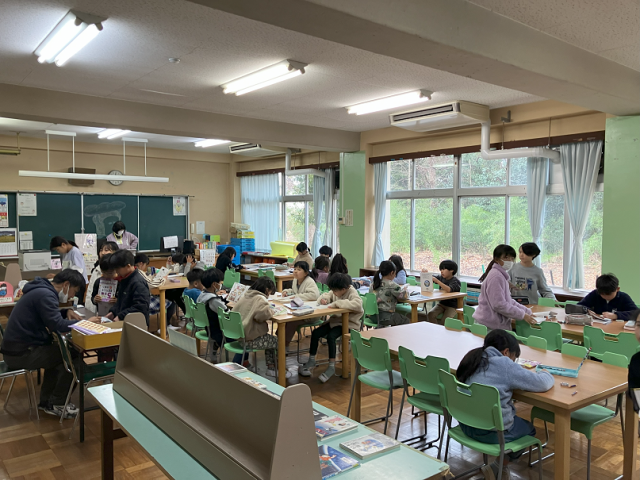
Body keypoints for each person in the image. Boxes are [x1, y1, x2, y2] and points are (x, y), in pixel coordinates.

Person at [456, 329, 554, 479]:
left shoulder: (472, 358)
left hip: (465, 424)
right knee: (529, 429)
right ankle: (498, 468)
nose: (513, 361)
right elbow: (542, 384)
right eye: (514, 358)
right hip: (489, 433)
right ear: (506, 352)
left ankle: (497, 468)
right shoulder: (504, 364)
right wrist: (546, 373)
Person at [0, 269, 94, 418]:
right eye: (74, 291)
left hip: (15, 350)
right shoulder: (46, 295)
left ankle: (48, 402)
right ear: (66, 285)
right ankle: (58, 403)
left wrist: (65, 312)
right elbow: (56, 325)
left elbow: (47, 316)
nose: (72, 296)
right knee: (72, 357)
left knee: (60, 354)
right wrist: (85, 323)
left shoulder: (40, 289)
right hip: (21, 353)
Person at [299, 273, 363, 383]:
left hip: (349, 324)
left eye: (335, 291)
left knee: (331, 337)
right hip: (335, 321)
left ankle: (331, 366)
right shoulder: (335, 291)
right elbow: (326, 295)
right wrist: (324, 299)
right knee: (316, 333)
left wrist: (337, 303)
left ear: (344, 289)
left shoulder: (352, 292)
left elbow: (358, 304)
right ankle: (311, 360)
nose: (333, 293)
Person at [232, 277, 290, 378]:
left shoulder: (246, 295)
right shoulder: (260, 298)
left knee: (270, 339)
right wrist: (271, 310)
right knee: (277, 341)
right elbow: (261, 316)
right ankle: (273, 369)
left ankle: (271, 367)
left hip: (238, 336)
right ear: (267, 290)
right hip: (250, 339)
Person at [474, 245, 538, 331]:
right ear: (497, 259)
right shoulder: (496, 277)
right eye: (506, 257)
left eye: (512, 258)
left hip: (491, 324)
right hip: (489, 325)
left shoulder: (500, 275)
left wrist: (527, 311)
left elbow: (508, 301)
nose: (510, 261)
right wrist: (522, 315)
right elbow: (499, 305)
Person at [89, 249, 149, 324]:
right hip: (123, 322)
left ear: (128, 266)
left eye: (117, 269)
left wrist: (120, 316)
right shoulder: (124, 279)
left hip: (136, 324)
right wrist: (112, 312)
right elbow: (120, 302)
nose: (116, 272)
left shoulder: (138, 282)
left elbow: (140, 307)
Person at [282, 261, 321, 349]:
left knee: (291, 321)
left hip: (311, 313)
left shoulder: (309, 281)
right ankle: (279, 341)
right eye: (295, 269)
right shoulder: (295, 280)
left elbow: (314, 295)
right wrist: (286, 291)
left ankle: (284, 345)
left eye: (299, 270)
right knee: (284, 320)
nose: (295, 271)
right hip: (299, 310)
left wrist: (297, 296)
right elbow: (294, 291)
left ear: (306, 273)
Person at [197, 268, 228, 358]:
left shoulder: (202, 295)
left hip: (209, 329)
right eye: (220, 283)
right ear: (214, 284)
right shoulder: (213, 300)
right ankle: (244, 361)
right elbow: (227, 313)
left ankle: (215, 347)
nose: (221, 285)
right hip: (220, 333)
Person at [370, 260, 410, 326]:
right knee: (406, 320)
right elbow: (405, 296)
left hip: (373, 316)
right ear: (392, 273)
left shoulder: (373, 284)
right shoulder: (392, 285)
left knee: (397, 317)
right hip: (385, 317)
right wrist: (406, 290)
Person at [86, 241, 119, 314]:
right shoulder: (97, 273)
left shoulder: (120, 280)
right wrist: (95, 300)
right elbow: (91, 294)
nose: (103, 253)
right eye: (101, 250)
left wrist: (117, 300)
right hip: (100, 312)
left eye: (106, 250)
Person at [428, 260, 462, 324]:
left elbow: (449, 289)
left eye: (443, 269)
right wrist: (426, 273)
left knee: (445, 321)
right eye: (441, 269)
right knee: (431, 314)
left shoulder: (455, 281)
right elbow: (431, 277)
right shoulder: (441, 278)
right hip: (442, 304)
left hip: (452, 306)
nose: (441, 271)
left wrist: (437, 281)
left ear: (451, 270)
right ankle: (436, 328)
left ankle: (442, 330)